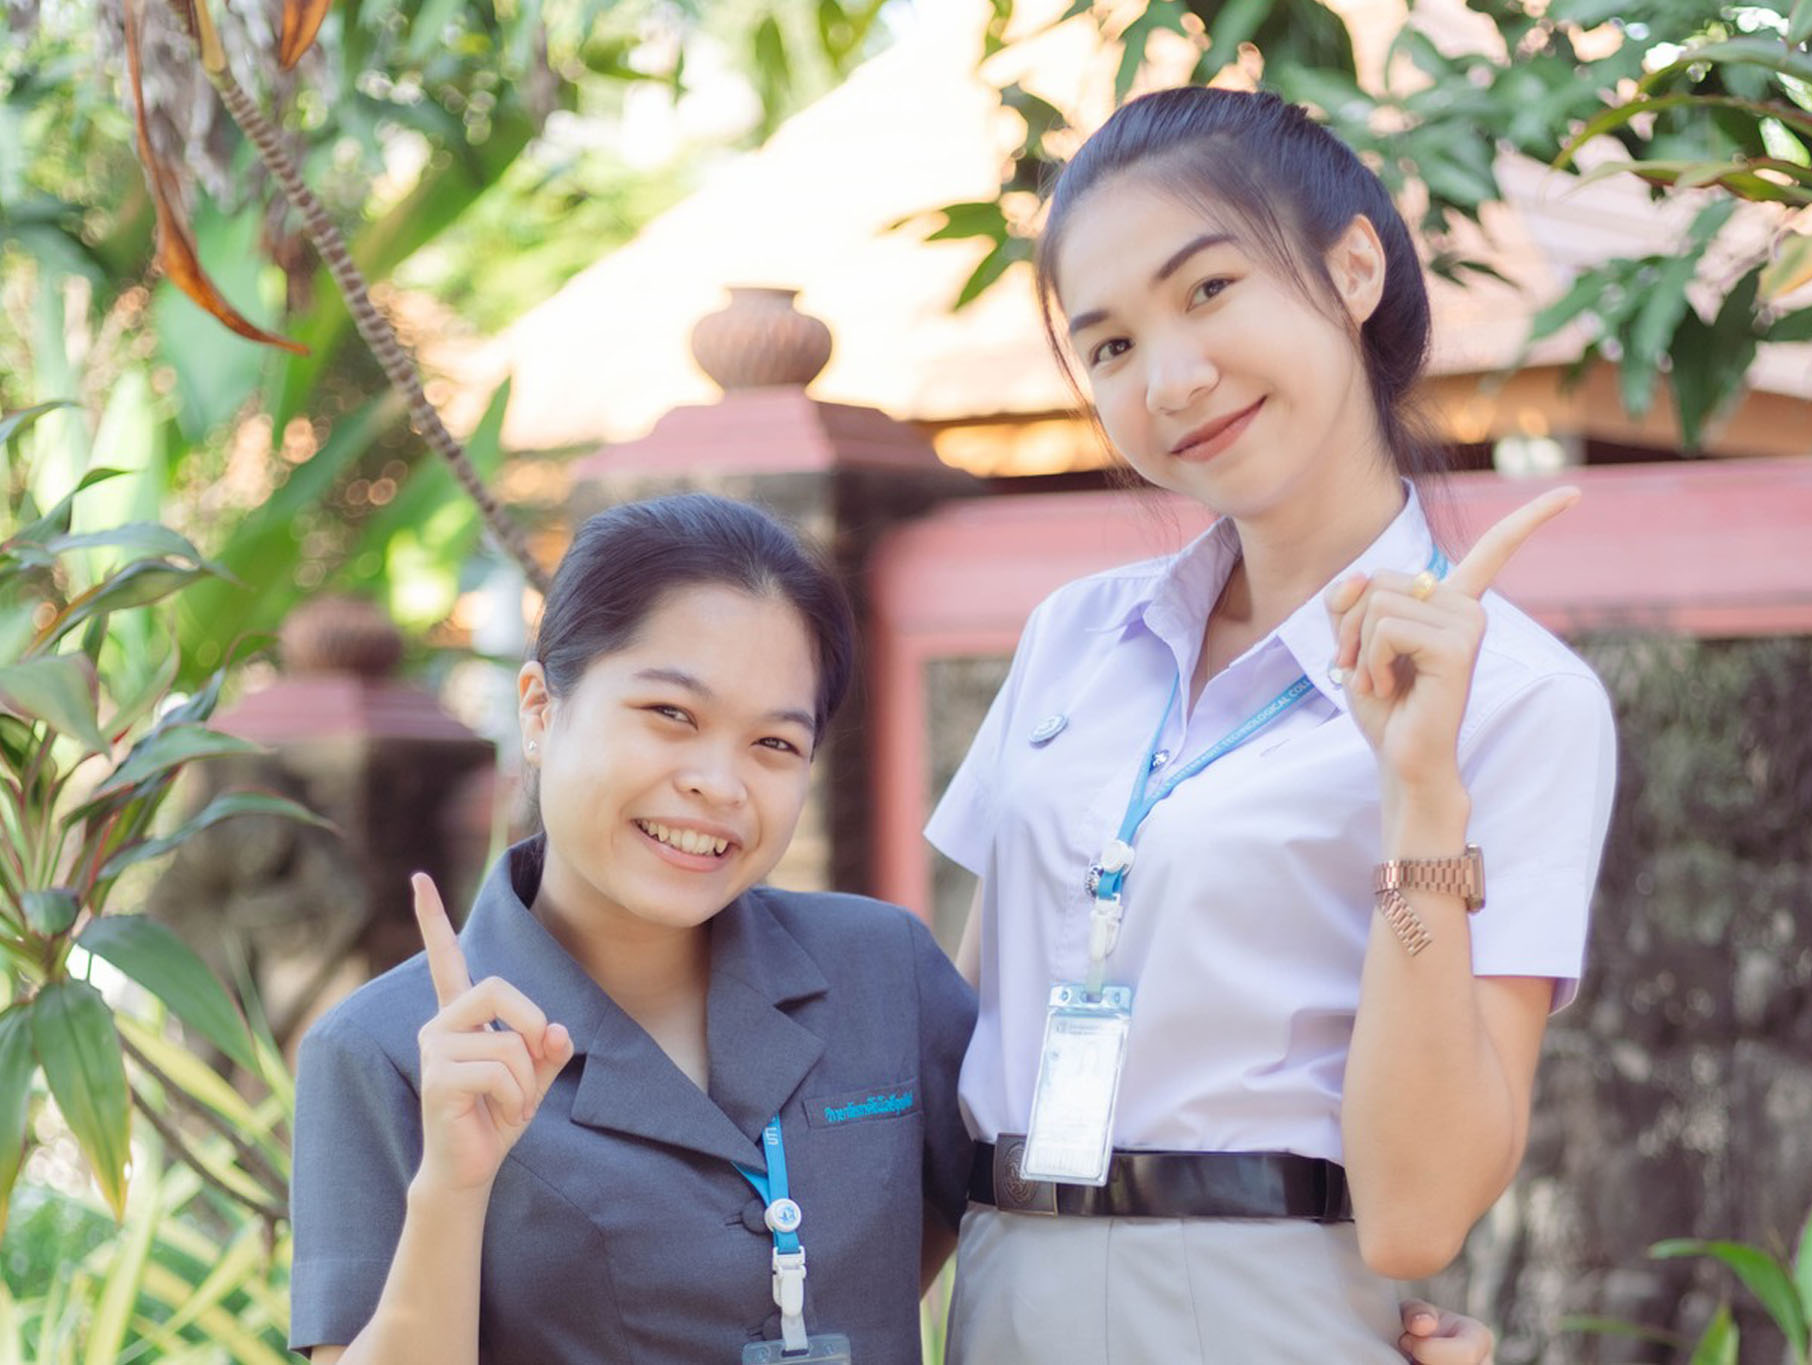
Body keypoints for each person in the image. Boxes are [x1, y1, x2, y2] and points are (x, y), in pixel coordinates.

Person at [925, 86, 1618, 1362]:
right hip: (1001, 1294)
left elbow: (1416, 1219)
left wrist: (1418, 792)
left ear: (1352, 266)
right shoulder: (1073, 640)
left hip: (1259, 1310)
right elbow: (965, 1028)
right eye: (1112, 347)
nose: (1173, 380)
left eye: (1206, 292)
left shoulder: (1519, 701)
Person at [288, 494, 978, 1364]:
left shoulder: (883, 969)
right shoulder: (386, 1048)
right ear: (539, 711)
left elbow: (1014, 1220)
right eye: (671, 715)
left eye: (773, 744)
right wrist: (454, 1190)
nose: (719, 784)